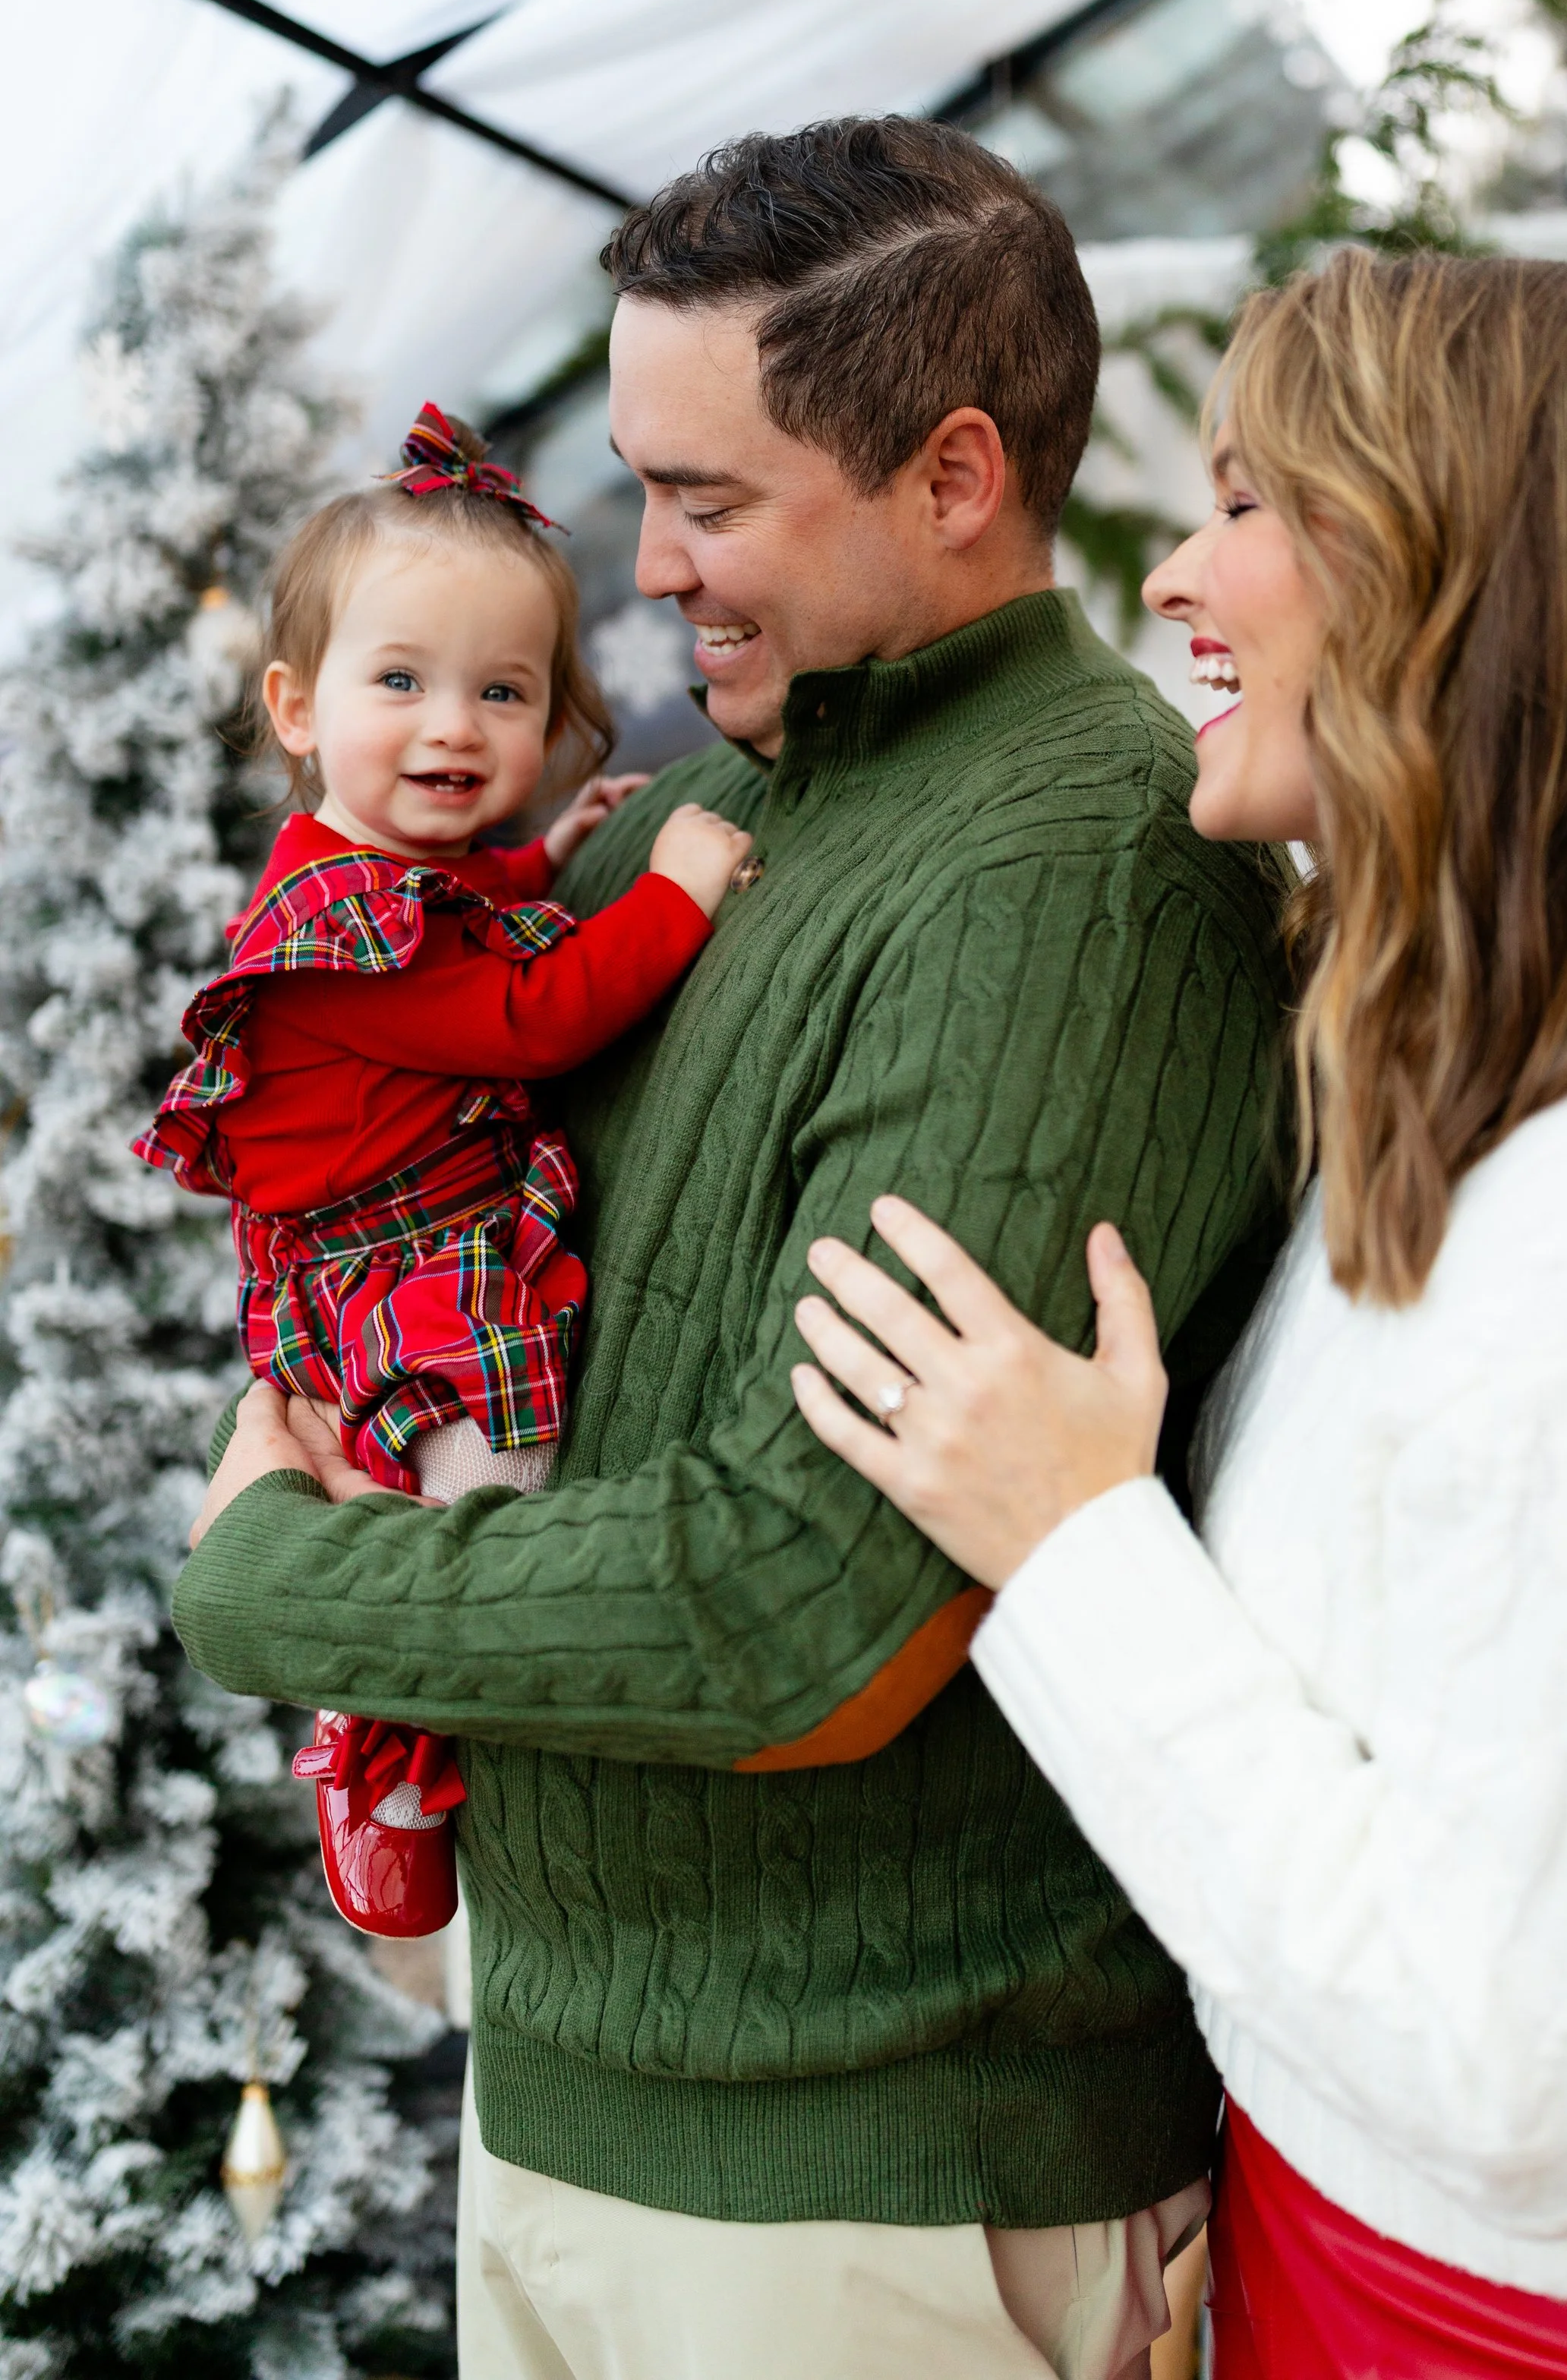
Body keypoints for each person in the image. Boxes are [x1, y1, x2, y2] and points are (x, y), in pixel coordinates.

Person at [172, 119, 1292, 2380]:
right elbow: (367, 1228)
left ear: (954, 471)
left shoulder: (1066, 865)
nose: (648, 562)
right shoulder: (707, 807)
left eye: (712, 498)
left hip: (865, 2193)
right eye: (639, 482)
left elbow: (796, 1609)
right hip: (587, 2108)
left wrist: (262, 1580)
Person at [789, 251, 1567, 2378]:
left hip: (1549, 2331)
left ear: (1460, 580)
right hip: (1367, 2254)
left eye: (1249, 500)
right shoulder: (1487, 1098)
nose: (1181, 574)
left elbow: (1534, 2078)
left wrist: (1072, 1547)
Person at [140, 402, 752, 1936]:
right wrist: (669, 895)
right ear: (295, 708)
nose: (452, 728)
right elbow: (525, 1014)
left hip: (399, 1240)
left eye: (503, 691)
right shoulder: (332, 929)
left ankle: (396, 1703)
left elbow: (474, 909)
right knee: (485, 1486)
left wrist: (553, 860)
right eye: (398, 682)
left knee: (439, 1481)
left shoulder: (394, 872)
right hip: (385, 1272)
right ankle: (388, 1734)